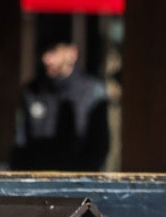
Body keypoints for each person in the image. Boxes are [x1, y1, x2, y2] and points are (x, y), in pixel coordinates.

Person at [12, 39, 111, 170]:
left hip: (79, 180)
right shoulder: (32, 91)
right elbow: (21, 141)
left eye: (53, 52)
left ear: (72, 54)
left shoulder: (92, 91)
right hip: (37, 179)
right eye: (43, 52)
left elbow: (100, 145)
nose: (46, 59)